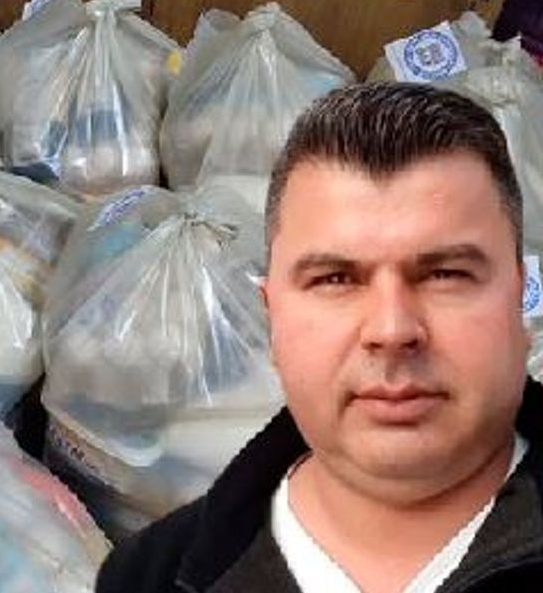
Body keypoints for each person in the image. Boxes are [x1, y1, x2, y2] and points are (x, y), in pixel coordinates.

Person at [95, 82, 543, 592]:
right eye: (335, 279)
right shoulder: (147, 578)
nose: (391, 329)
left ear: (519, 299)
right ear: (271, 317)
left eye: (446, 274)